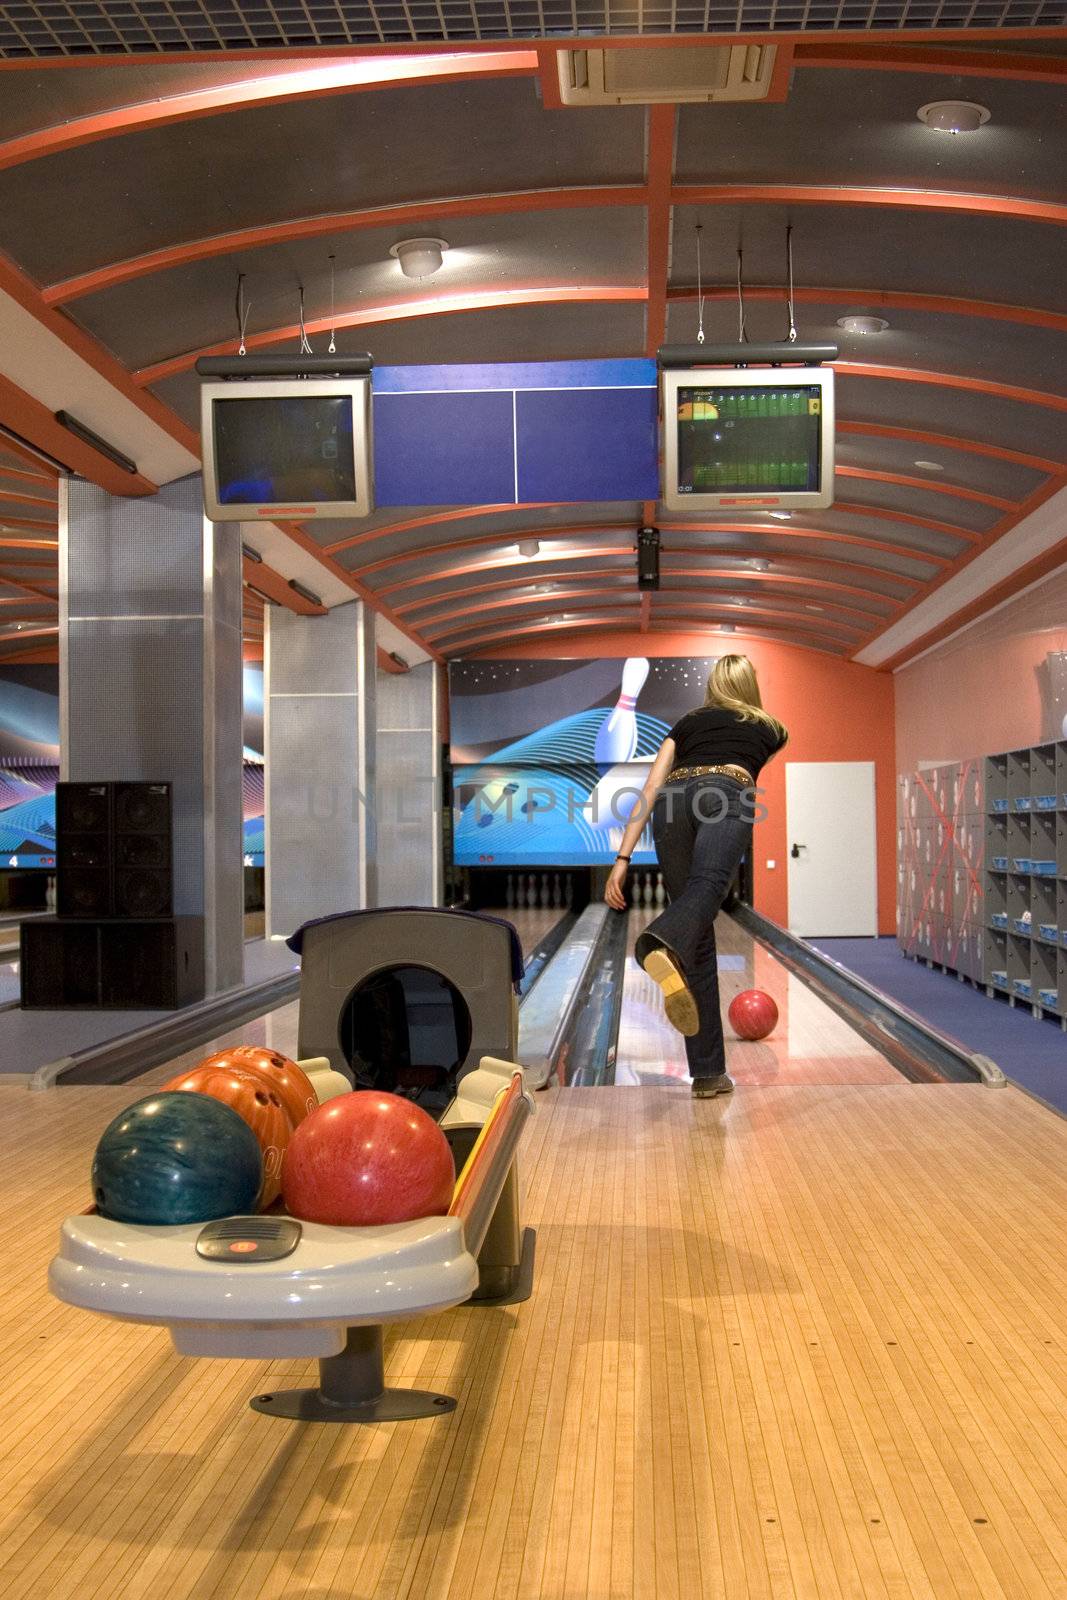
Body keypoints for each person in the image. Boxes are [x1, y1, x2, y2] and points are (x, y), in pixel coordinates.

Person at [603, 655, 788, 1099]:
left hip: (671, 802)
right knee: (710, 886)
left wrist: (622, 858)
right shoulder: (772, 727)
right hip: (725, 792)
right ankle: (658, 941)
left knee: (699, 940)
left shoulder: (685, 723)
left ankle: (708, 1074)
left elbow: (649, 787)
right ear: (749, 684)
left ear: (711, 685)